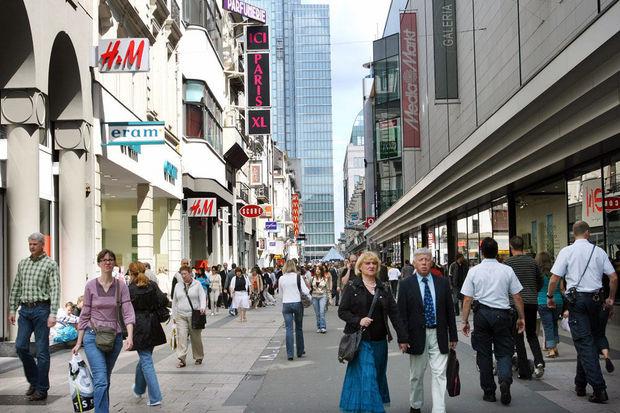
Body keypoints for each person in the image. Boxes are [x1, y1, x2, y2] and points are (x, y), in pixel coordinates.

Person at [547, 221, 618, 403]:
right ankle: (580, 384)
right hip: (596, 300)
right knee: (587, 341)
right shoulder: (599, 251)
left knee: (584, 342)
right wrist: (610, 299)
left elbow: (554, 278)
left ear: (574, 234)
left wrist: (550, 296)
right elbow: (613, 277)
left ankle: (599, 388)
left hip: (577, 302)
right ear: (587, 233)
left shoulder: (567, 251)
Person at [460, 237, 525, 406]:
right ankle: (504, 379)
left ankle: (489, 391)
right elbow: (517, 296)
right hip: (503, 315)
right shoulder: (507, 270)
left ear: (482, 252)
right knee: (504, 351)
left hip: (481, 314)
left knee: (484, 353)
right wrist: (521, 317)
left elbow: (467, 299)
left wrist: (464, 321)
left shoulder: (474, 271)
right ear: (497, 252)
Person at [338, 251, 404, 413]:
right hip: (361, 341)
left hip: (380, 341)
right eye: (367, 263)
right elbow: (342, 311)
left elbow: (395, 314)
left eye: (374, 263)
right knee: (368, 375)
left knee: (377, 375)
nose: (371, 266)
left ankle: (364, 405)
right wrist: (358, 320)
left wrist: (402, 337)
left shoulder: (384, 288)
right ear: (360, 267)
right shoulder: (353, 286)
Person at [72, 249, 135, 413]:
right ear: (99, 263)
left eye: (110, 259)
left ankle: (102, 408)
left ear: (114, 263)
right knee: (101, 380)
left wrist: (130, 337)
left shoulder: (121, 286)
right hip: (93, 337)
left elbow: (128, 311)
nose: (107, 262)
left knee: (105, 379)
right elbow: (84, 314)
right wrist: (79, 342)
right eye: (104, 259)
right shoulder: (91, 285)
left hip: (114, 337)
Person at [397, 248, 457, 413]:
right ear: (414, 262)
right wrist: (402, 338)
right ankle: (415, 405)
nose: (424, 263)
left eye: (427, 259)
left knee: (439, 374)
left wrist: (453, 335)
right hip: (416, 336)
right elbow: (401, 314)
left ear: (432, 262)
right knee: (416, 375)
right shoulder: (405, 284)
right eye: (421, 260)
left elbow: (450, 311)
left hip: (439, 334)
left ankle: (439, 408)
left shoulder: (442, 282)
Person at [7, 233, 60, 402]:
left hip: (42, 310)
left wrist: (53, 314)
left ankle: (42, 389)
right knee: (21, 347)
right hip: (25, 310)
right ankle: (34, 380)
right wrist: (12, 309)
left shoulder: (50, 264)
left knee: (42, 351)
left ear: (42, 245)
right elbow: (16, 287)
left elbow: (55, 290)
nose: (31, 247)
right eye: (30, 244)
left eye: (35, 244)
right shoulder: (23, 263)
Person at [505, 236, 545, 379]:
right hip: (532, 302)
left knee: (518, 337)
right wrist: (533, 291)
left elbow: (505, 284)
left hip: (515, 304)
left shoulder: (507, 263)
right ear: (523, 247)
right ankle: (539, 361)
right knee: (532, 334)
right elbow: (540, 281)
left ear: (511, 247)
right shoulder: (532, 262)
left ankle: (524, 370)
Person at [127, 261, 167, 407]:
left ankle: (155, 397)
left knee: (146, 360)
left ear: (131, 274)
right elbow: (163, 300)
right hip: (153, 324)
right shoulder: (152, 285)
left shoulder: (130, 289)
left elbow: (125, 310)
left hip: (139, 326)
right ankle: (138, 388)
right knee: (145, 358)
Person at [171, 265, 206, 368]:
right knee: (182, 337)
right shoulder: (178, 285)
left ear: (190, 274)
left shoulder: (197, 284)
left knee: (196, 338)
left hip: (194, 315)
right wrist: (174, 315)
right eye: (181, 274)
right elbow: (175, 301)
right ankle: (182, 359)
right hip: (181, 315)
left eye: (185, 274)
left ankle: (198, 356)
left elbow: (202, 296)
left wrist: (203, 307)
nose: (183, 276)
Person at [279, 260, 310, 360]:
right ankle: (300, 351)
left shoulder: (281, 278)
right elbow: (306, 291)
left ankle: (290, 354)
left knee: (289, 329)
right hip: (297, 303)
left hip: (286, 304)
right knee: (299, 328)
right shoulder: (298, 277)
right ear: (294, 266)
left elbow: (280, 294)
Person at [536, 252, 563, 358]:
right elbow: (561, 288)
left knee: (547, 325)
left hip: (543, 301)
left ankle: (551, 349)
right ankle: (555, 347)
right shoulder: (556, 273)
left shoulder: (538, 274)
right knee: (554, 323)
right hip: (558, 301)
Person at [311, 265, 330, 333]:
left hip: (323, 296)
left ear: (321, 270)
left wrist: (330, 298)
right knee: (317, 313)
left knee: (322, 312)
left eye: (319, 269)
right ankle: (318, 326)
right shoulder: (312, 278)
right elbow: (310, 288)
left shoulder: (325, 278)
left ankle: (323, 327)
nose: (317, 270)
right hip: (314, 296)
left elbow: (328, 289)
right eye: (316, 269)